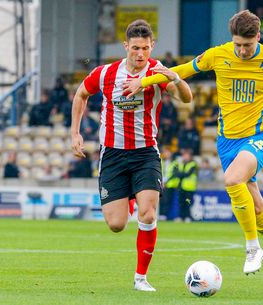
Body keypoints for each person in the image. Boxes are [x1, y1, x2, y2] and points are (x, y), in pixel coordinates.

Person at [123, 10, 263, 281]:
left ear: (258, 36)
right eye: (237, 44)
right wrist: (145, 80)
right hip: (227, 142)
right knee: (256, 208)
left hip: (259, 136)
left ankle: (252, 248)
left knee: (232, 180)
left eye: (247, 45)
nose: (242, 50)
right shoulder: (218, 54)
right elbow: (181, 71)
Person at [71, 20, 192, 291]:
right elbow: (80, 95)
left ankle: (141, 278)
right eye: (136, 48)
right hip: (112, 155)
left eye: (146, 48)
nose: (141, 54)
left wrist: (174, 77)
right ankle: (127, 198)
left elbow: (186, 98)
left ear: (153, 46)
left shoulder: (157, 73)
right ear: (126, 46)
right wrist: (75, 134)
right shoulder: (105, 74)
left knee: (148, 215)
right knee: (116, 225)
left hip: (145, 154)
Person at [177, 148, 198, 222]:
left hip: (189, 187)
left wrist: (181, 174)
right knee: (181, 203)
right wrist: (182, 174)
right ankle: (181, 216)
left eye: (187, 155)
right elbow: (177, 173)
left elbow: (187, 174)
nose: (185, 157)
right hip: (181, 186)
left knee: (188, 203)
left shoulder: (193, 164)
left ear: (190, 156)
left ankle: (188, 216)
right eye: (184, 155)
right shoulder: (181, 163)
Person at [159, 147, 179, 220]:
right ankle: (162, 214)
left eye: (168, 152)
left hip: (170, 185)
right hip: (161, 184)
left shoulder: (175, 163)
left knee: (168, 200)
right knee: (162, 200)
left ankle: (166, 215)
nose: (166, 154)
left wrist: (166, 182)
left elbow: (174, 173)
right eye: (165, 152)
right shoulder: (161, 161)